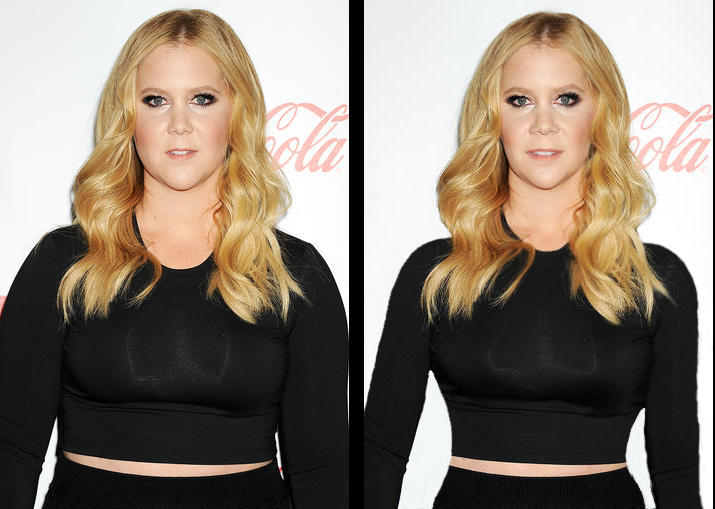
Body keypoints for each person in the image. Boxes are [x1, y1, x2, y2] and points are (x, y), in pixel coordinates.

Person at [0, 8, 348, 509]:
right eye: (156, 100)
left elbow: (322, 468)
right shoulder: (64, 262)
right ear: (128, 116)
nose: (179, 125)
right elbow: (11, 450)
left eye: (202, 99)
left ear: (238, 113)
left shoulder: (296, 274)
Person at [364, 11, 701, 509]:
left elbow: (675, 468)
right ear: (492, 117)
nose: (543, 124)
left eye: (567, 99)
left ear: (601, 114)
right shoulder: (437, 272)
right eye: (520, 101)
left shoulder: (656, 279)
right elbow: (380, 450)